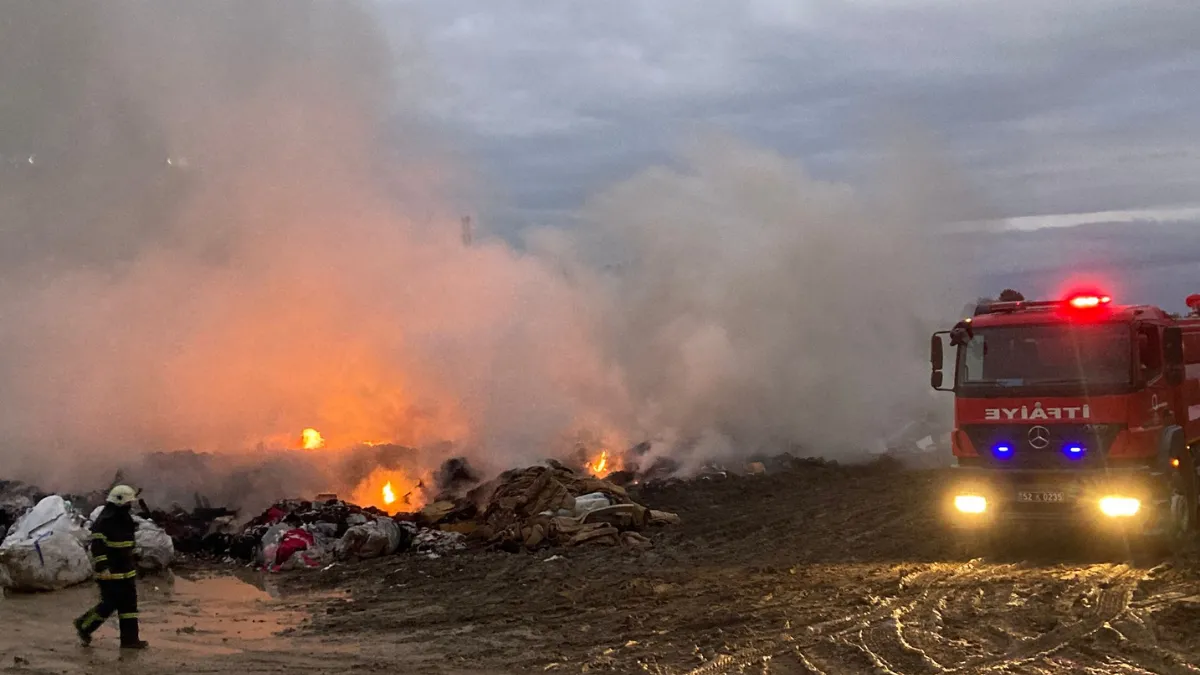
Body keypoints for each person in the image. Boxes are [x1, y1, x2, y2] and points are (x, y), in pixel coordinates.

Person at [73, 485, 149, 649]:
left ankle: (130, 640)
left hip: (126, 570)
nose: (131, 505)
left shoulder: (125, 519)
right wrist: (103, 567)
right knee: (109, 604)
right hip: (111, 572)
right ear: (120, 502)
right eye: (128, 502)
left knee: (129, 606)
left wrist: (136, 558)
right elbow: (97, 546)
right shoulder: (105, 521)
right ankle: (84, 625)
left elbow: (129, 543)